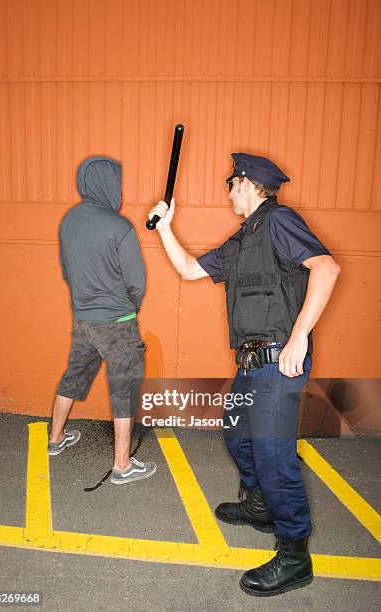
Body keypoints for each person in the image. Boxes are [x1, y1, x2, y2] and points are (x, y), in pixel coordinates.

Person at [148, 152, 340, 596]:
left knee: (275, 460)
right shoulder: (241, 240)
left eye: (231, 183)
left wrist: (300, 337)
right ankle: (259, 507)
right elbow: (189, 269)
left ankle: (294, 556)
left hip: (278, 359)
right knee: (236, 437)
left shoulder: (278, 221)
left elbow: (326, 269)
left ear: (250, 184)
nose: (228, 190)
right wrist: (168, 227)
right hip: (251, 364)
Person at [49, 156, 157, 486]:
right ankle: (122, 466)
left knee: (74, 375)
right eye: (118, 185)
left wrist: (88, 301)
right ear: (107, 185)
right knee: (124, 387)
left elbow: (67, 272)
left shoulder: (68, 222)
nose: (121, 193)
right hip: (118, 323)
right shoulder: (119, 226)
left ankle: (55, 439)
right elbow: (137, 280)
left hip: (83, 320)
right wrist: (129, 308)